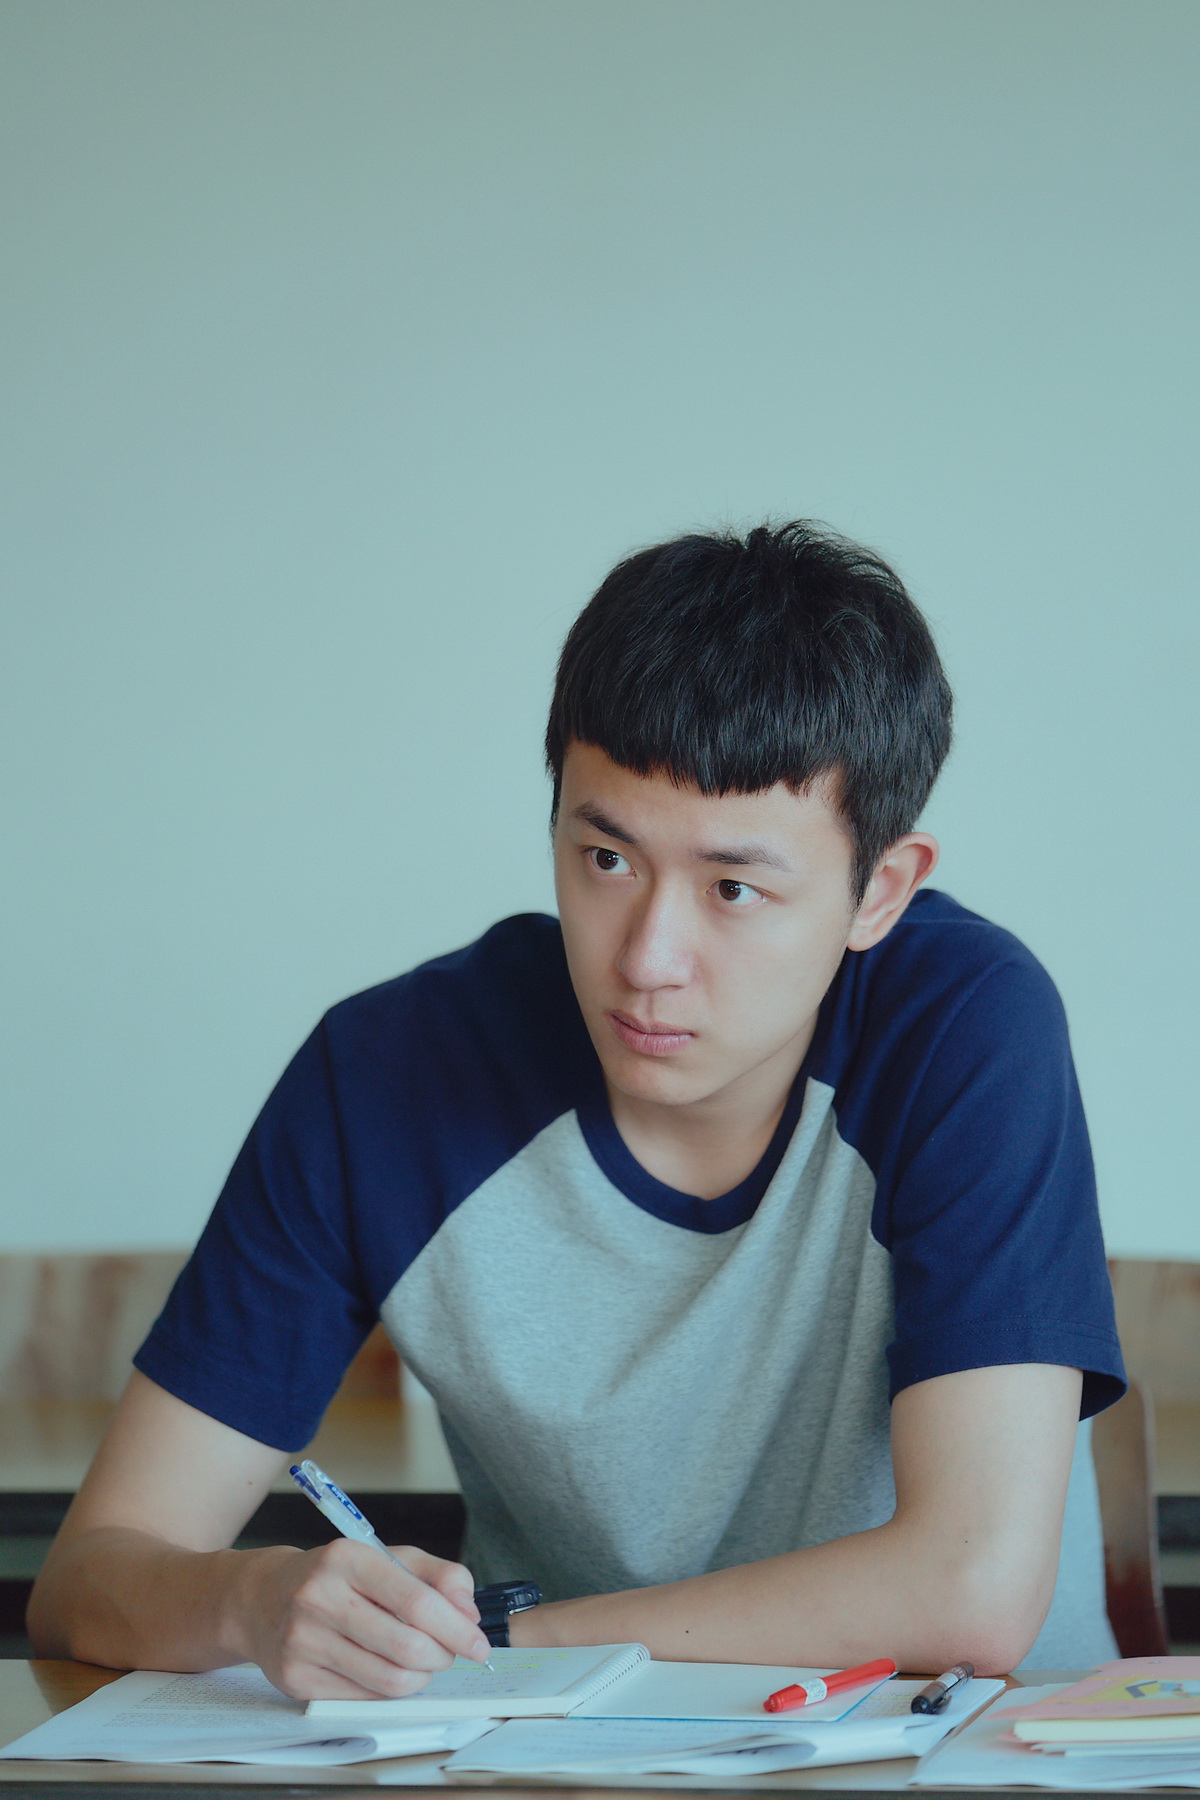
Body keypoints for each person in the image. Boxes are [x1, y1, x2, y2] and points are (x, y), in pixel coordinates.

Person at [29, 521, 1125, 1698]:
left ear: (880, 893)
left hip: (959, 1757)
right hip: (559, 1758)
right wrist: (248, 1602)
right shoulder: (385, 1075)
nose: (646, 958)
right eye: (607, 860)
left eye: (733, 888)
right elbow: (85, 1580)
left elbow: (970, 1590)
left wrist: (500, 1652)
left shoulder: (966, 1026)